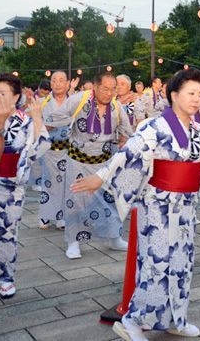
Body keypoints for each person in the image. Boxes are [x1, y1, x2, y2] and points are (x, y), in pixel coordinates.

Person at [71, 69, 200, 341]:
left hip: (185, 207)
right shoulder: (154, 127)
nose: (196, 99)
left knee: (182, 262)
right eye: (191, 93)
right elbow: (128, 155)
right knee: (156, 264)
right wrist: (100, 178)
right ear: (174, 95)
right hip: (157, 206)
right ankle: (132, 321)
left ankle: (174, 318)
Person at [49, 72, 133, 259]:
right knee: (75, 202)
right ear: (95, 86)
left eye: (113, 89)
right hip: (77, 161)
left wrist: (124, 141)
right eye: (105, 88)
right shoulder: (79, 100)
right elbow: (55, 119)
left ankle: (114, 237)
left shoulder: (117, 107)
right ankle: (73, 242)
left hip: (105, 163)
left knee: (110, 201)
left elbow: (127, 131)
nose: (109, 93)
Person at [0, 74, 50, 299]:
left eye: (3, 93)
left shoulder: (24, 120)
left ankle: (5, 277)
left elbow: (41, 145)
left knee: (5, 233)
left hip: (10, 186)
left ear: (16, 97)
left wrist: (37, 119)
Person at [37, 70, 72, 231]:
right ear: (50, 84)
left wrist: (56, 122)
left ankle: (62, 217)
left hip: (69, 150)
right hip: (49, 150)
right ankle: (45, 215)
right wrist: (48, 125)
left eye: (61, 80)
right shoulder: (43, 103)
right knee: (49, 181)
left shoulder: (74, 103)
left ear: (67, 84)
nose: (57, 83)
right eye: (54, 81)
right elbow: (37, 125)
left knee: (66, 183)